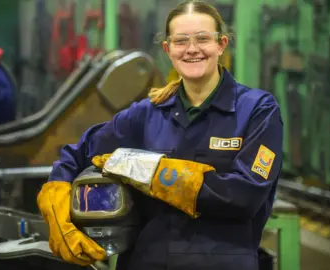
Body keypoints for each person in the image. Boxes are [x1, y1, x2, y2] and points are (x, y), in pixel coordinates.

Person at [36, 1, 284, 270]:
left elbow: (243, 197)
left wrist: (155, 173)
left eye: (203, 38)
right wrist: (56, 195)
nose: (192, 49)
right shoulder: (146, 113)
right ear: (167, 49)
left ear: (221, 44)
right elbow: (77, 154)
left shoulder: (257, 110)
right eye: (180, 41)